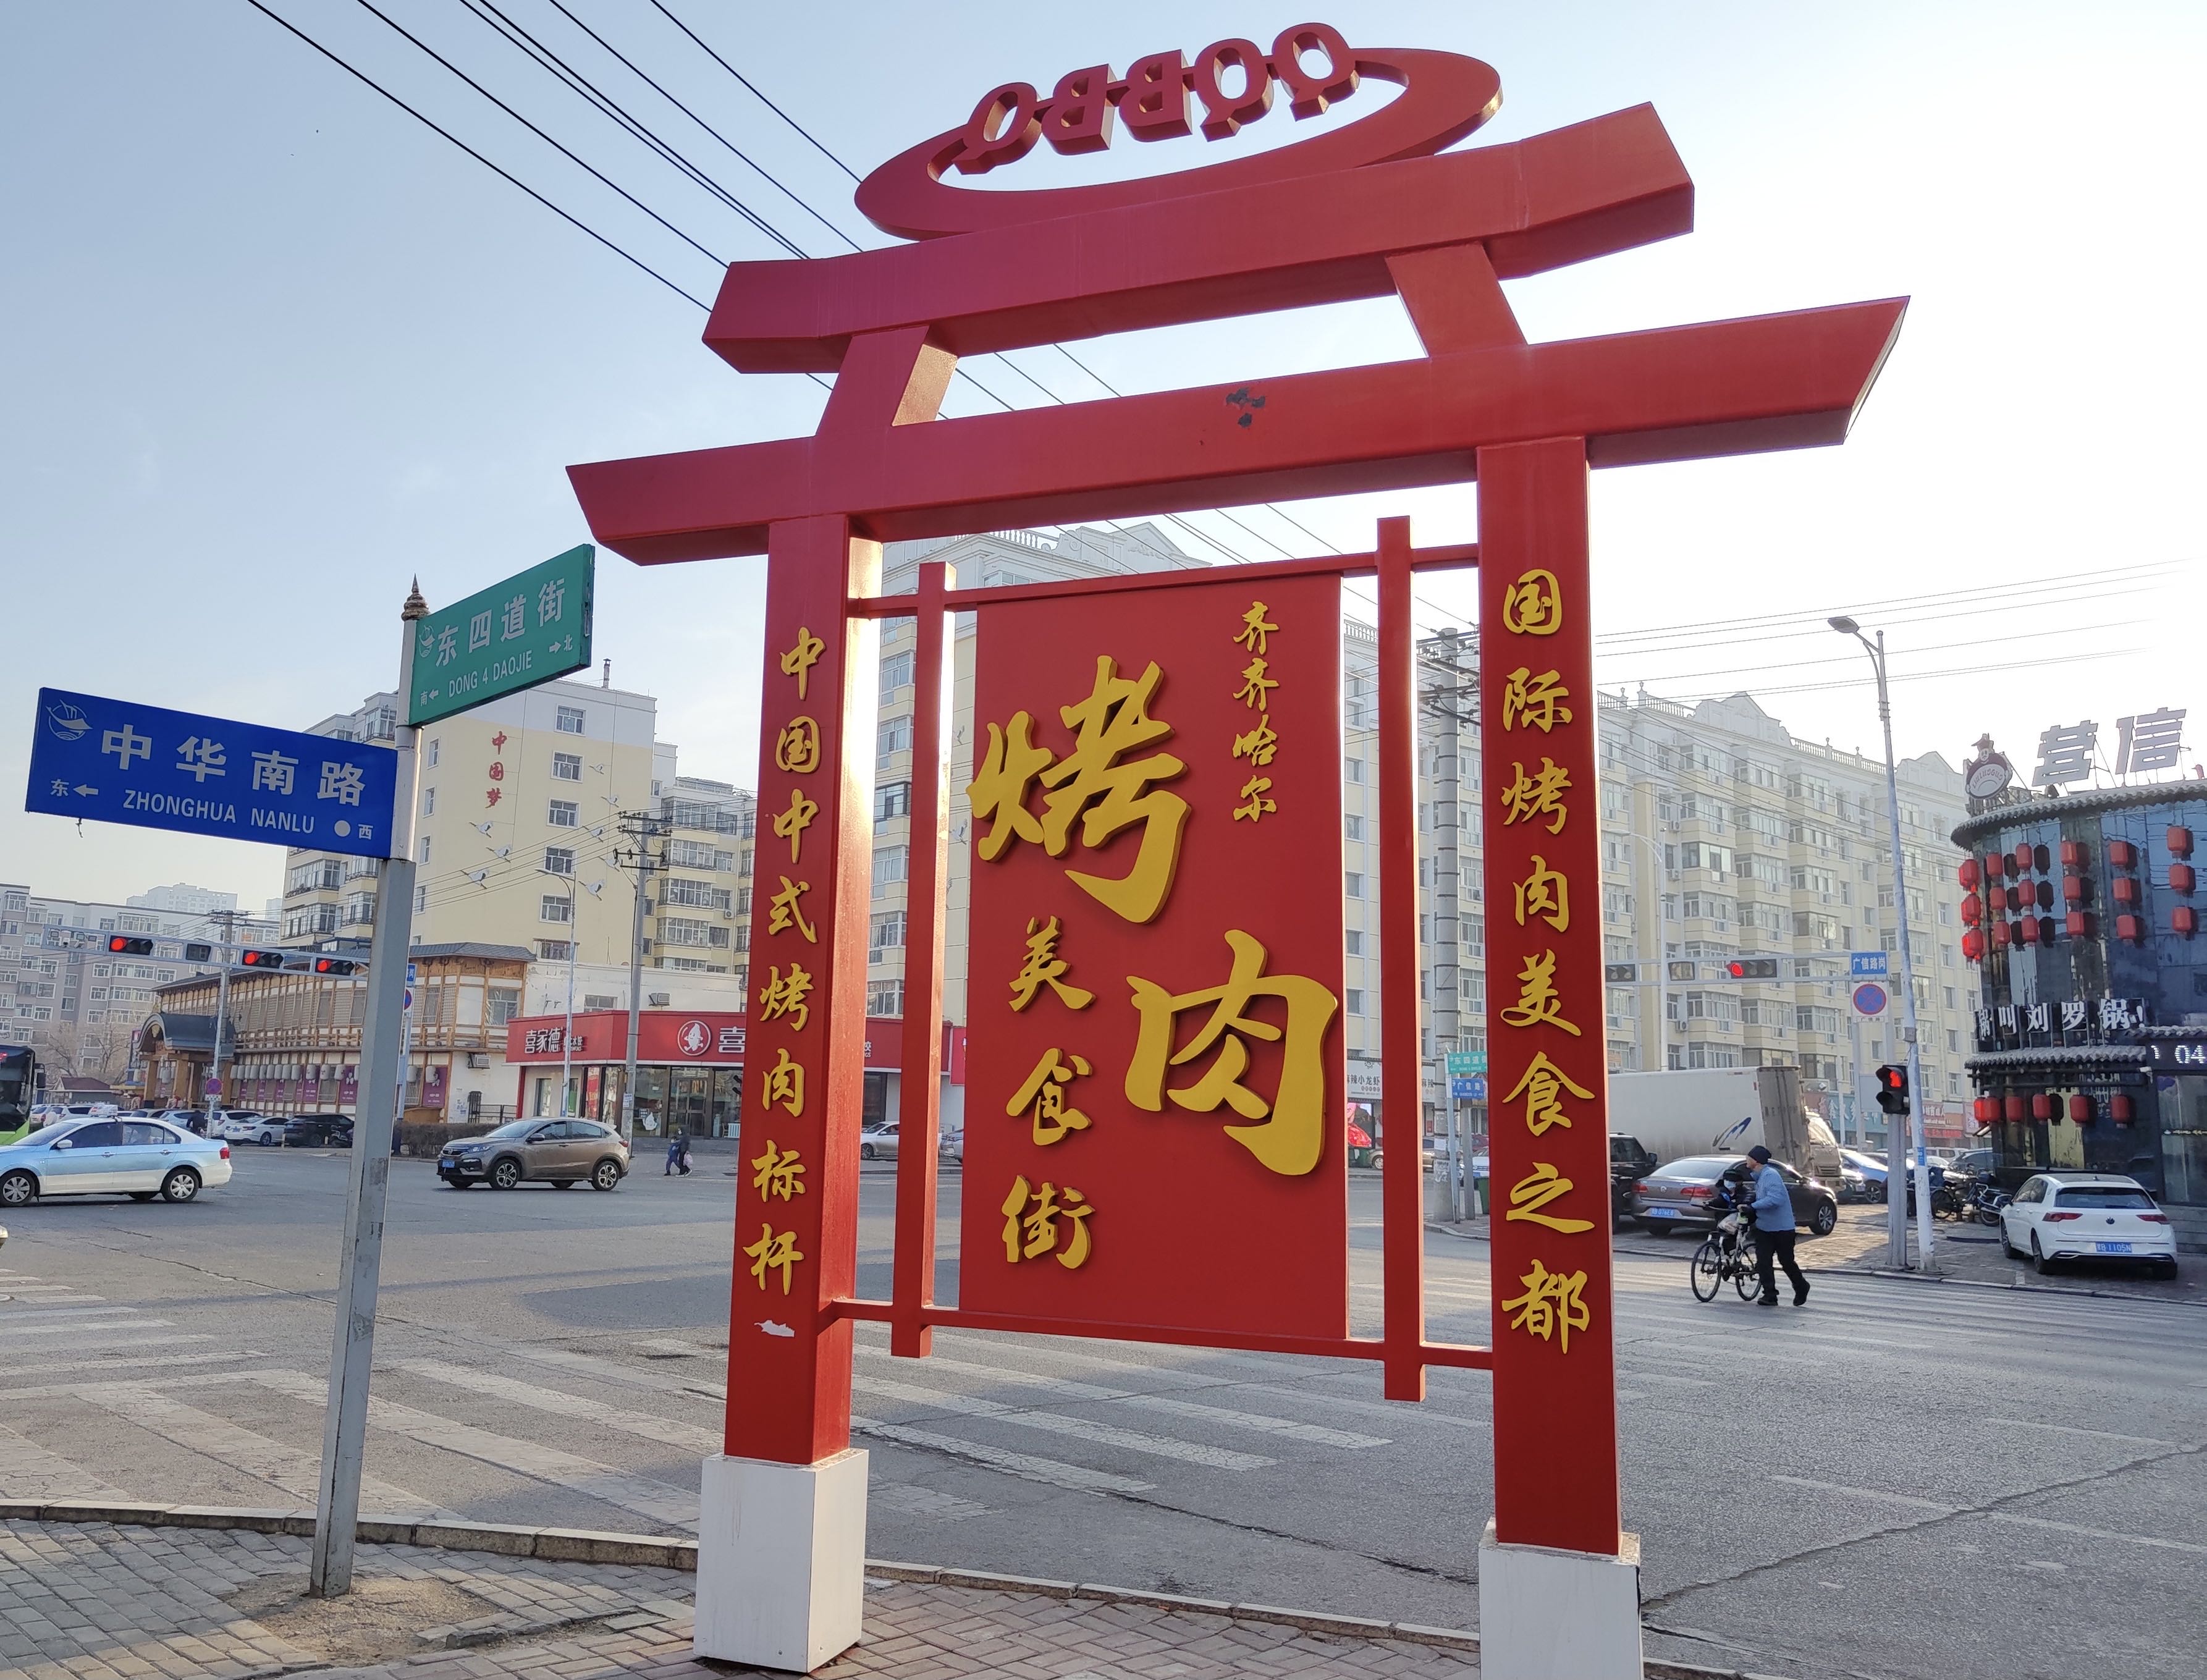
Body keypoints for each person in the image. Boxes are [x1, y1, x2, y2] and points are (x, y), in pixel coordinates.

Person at [1744, 1145, 1808, 1307]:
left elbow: (1775, 1199)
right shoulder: (1759, 1177)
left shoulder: (1771, 1175)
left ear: (1756, 1160)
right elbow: (1761, 1197)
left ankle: (1801, 1286)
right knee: (1763, 1261)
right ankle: (1770, 1295)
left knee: (1786, 1261)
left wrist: (1754, 1206)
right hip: (1765, 1228)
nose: (1746, 1160)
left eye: (1748, 1158)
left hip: (1782, 1229)